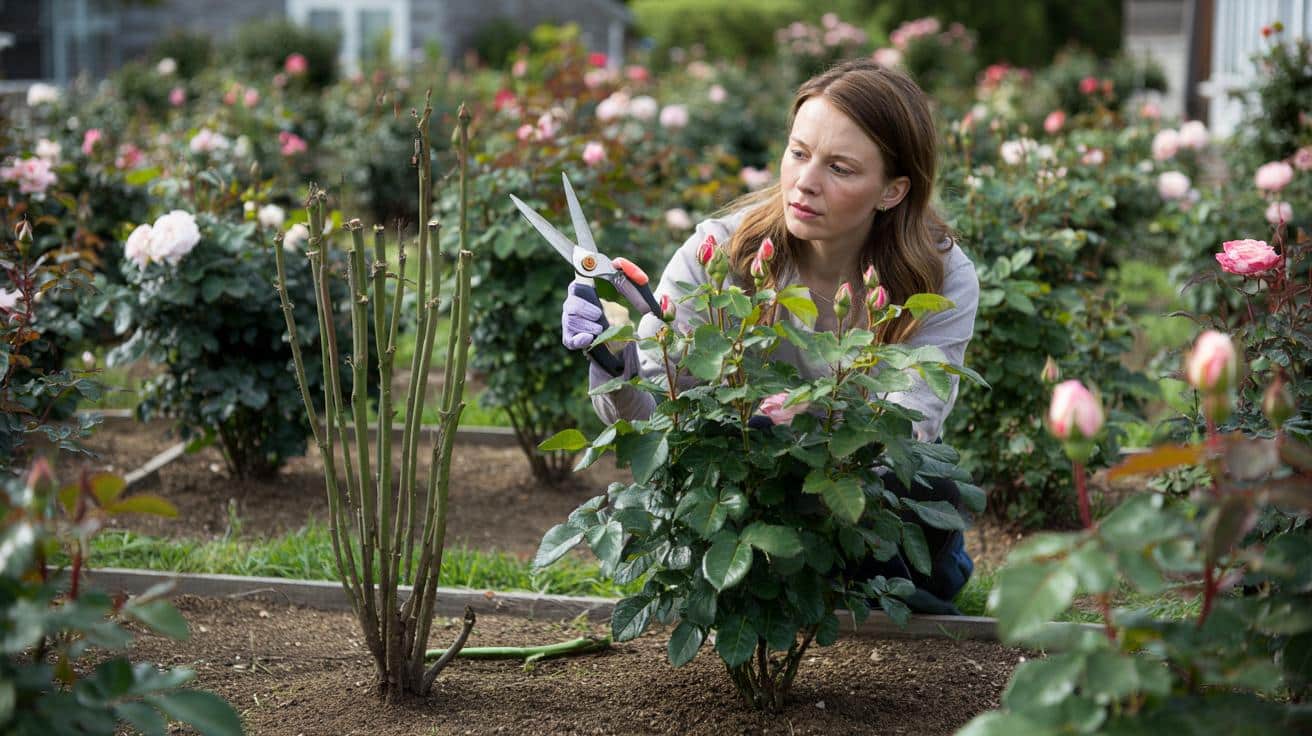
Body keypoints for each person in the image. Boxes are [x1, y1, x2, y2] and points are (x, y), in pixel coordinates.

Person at [561, 58, 980, 613]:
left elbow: (909, 425)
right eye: (799, 153)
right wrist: (614, 364)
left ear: (892, 190)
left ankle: (908, 582)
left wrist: (803, 424)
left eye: (840, 168)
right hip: (745, 499)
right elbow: (657, 421)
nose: (805, 182)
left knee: (928, 484)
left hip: (863, 498)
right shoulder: (718, 258)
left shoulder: (940, 277)